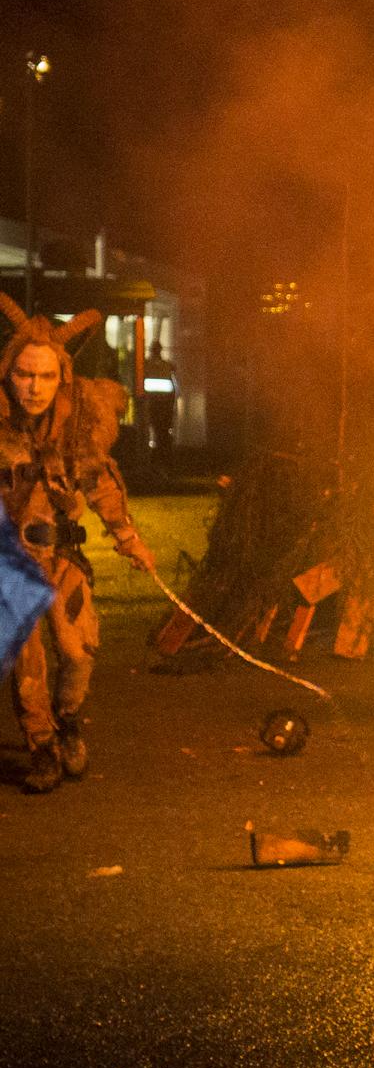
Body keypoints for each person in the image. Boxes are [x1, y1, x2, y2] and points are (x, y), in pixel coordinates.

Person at [0, 297, 156, 793]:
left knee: (77, 652)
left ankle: (67, 722)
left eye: (46, 376)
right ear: (8, 373)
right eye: (25, 375)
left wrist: (128, 537)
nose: (34, 387)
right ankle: (42, 747)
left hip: (63, 554)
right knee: (28, 664)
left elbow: (101, 482)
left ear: (62, 377)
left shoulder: (79, 423)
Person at [144, 338, 179, 466]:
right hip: (165, 406)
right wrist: (172, 405)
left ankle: (156, 459)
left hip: (152, 405)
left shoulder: (146, 365)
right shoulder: (168, 366)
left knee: (155, 431)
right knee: (163, 433)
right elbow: (174, 389)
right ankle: (165, 459)